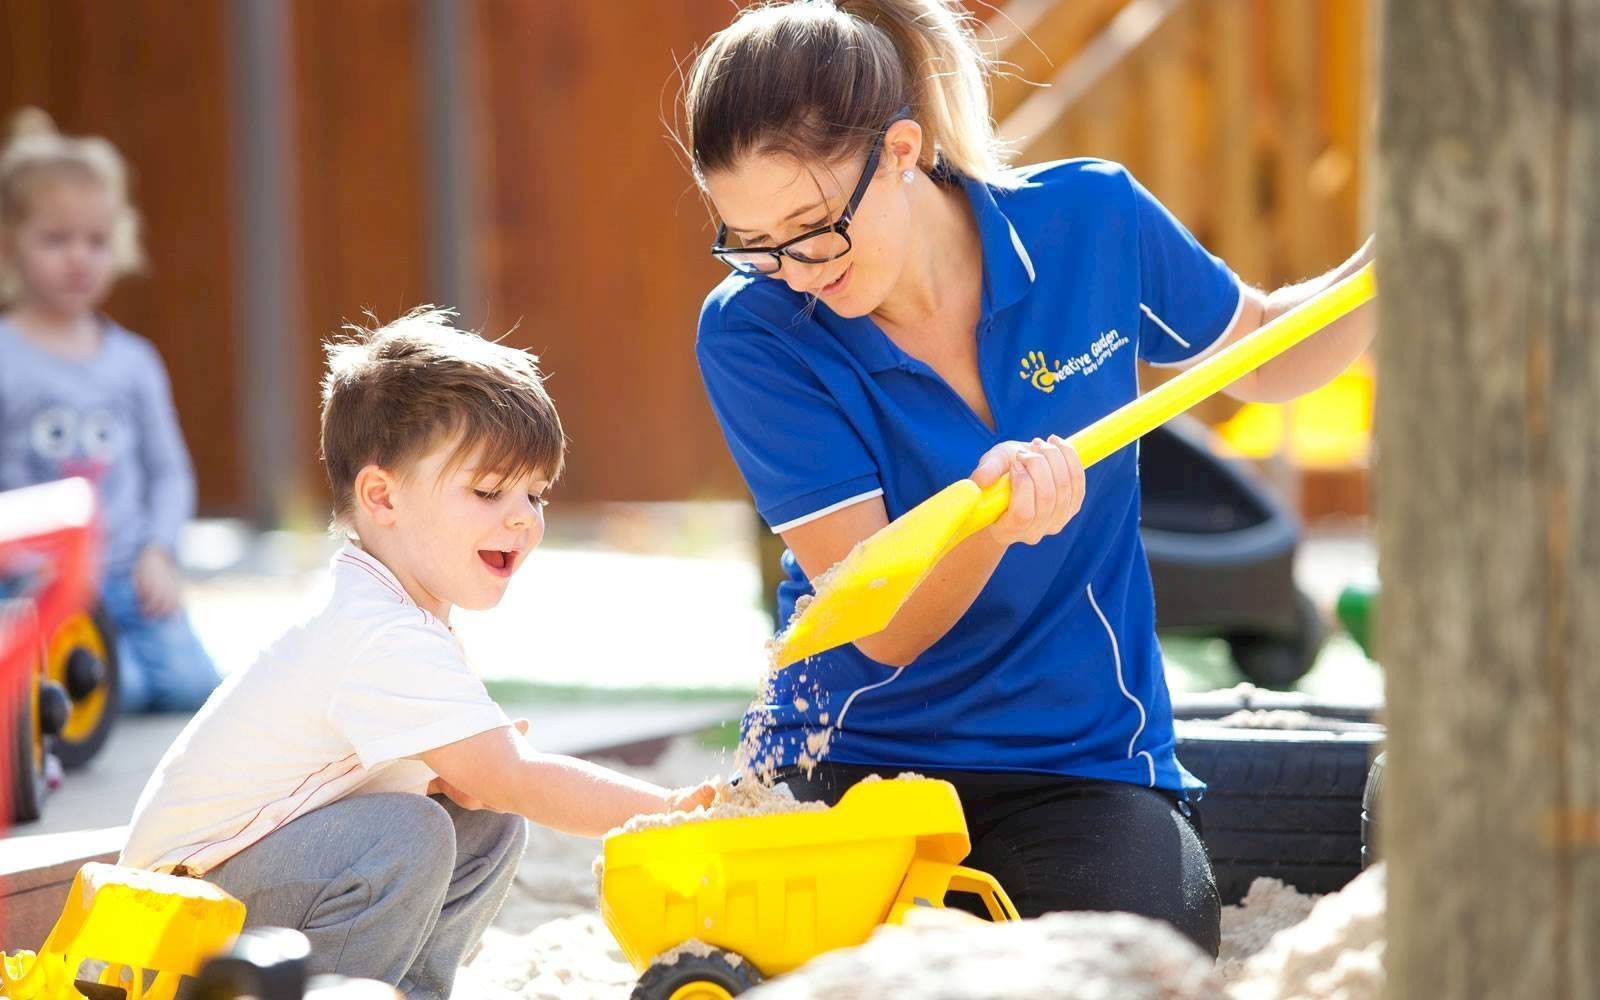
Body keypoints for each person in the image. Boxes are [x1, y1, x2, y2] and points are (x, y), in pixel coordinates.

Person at [683, 0, 1375, 955]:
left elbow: (1264, 351)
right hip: (852, 759)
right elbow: (882, 626)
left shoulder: (1090, 218)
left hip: (1077, 758)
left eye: (811, 229)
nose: (795, 271)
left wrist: (1394, 260)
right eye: (752, 243)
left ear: (900, 151)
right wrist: (990, 524)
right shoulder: (752, 330)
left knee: (1148, 948)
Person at [121, 310, 717, 998]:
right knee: (413, 832)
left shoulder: (395, 611)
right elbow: (515, 776)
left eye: (535, 493)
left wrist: (467, 771)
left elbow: (473, 785)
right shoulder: (379, 630)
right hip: (169, 922)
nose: (522, 516)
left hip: (232, 886)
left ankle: (412, 990)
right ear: (382, 496)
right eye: (488, 491)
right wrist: (677, 809)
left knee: (482, 820)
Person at [0, 108, 220, 713]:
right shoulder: (7, 357)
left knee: (192, 685)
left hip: (130, 579)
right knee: (109, 691)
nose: (78, 258)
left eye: (95, 241)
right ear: (10, 244)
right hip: (39, 587)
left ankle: (116, 669)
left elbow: (168, 471)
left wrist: (159, 552)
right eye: (56, 240)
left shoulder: (133, 362)